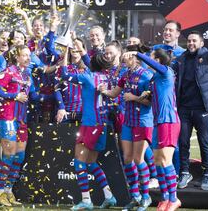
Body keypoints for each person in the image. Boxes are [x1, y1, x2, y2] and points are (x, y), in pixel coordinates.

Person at [0, 46, 53, 206]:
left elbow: (33, 96)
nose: (28, 58)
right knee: (9, 153)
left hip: (21, 119)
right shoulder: (9, 71)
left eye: (29, 55)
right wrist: (14, 96)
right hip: (7, 118)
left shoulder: (27, 75)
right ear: (17, 57)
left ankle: (8, 190)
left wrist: (52, 96)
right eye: (24, 55)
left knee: (19, 155)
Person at [124, 48, 181, 211]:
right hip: (157, 122)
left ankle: (174, 198)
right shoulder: (155, 78)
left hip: (168, 121)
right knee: (157, 161)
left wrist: (136, 53)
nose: (148, 60)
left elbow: (154, 65)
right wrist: (145, 94)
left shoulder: (166, 72)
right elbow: (153, 95)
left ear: (158, 61)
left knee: (165, 160)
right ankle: (164, 198)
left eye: (151, 58)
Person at [60, 48, 117, 210]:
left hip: (90, 123)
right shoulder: (107, 77)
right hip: (102, 123)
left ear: (92, 64)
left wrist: (65, 55)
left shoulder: (87, 77)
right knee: (91, 162)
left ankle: (86, 200)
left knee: (79, 161)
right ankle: (109, 196)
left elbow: (64, 75)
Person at [173, 21, 208, 191]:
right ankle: (185, 172)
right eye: (189, 41)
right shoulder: (180, 59)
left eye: (194, 41)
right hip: (185, 109)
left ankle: (207, 174)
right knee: (183, 142)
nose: (191, 43)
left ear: (202, 43)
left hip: (203, 108)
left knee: (204, 142)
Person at [100, 47, 154, 211]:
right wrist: (104, 91)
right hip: (128, 121)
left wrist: (134, 98)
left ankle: (146, 197)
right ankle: (136, 196)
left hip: (142, 121)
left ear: (136, 58)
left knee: (138, 159)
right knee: (128, 159)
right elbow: (115, 93)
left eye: (128, 55)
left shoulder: (146, 75)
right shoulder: (126, 74)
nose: (124, 57)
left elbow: (150, 102)